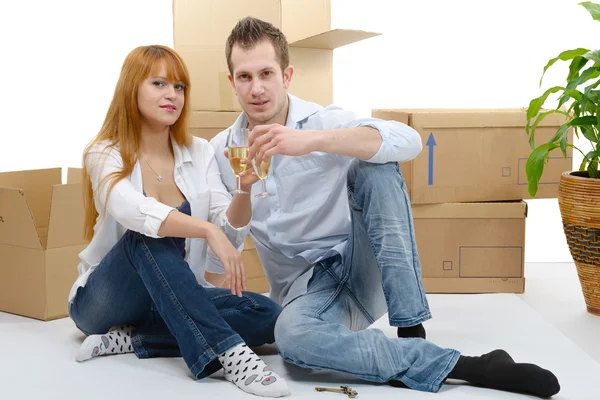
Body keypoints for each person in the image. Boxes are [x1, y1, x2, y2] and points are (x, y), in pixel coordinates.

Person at [208, 17, 561, 398]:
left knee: (374, 165)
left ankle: (410, 325)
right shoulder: (220, 150)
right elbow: (222, 247)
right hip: (306, 294)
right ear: (232, 82)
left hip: (362, 266)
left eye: (267, 73)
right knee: (293, 340)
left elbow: (409, 141)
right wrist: (243, 191)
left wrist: (312, 141)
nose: (257, 88)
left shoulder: (321, 121)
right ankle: (467, 366)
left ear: (287, 75)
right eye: (245, 77)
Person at [67, 44, 289, 398]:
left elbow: (227, 229)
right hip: (105, 302)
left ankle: (135, 339)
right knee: (147, 236)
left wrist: (244, 190)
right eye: (159, 84)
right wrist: (206, 229)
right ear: (132, 89)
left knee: (268, 314)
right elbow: (132, 211)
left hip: (174, 296)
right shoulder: (104, 152)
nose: (172, 95)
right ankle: (229, 355)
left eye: (179, 87)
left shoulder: (199, 151)